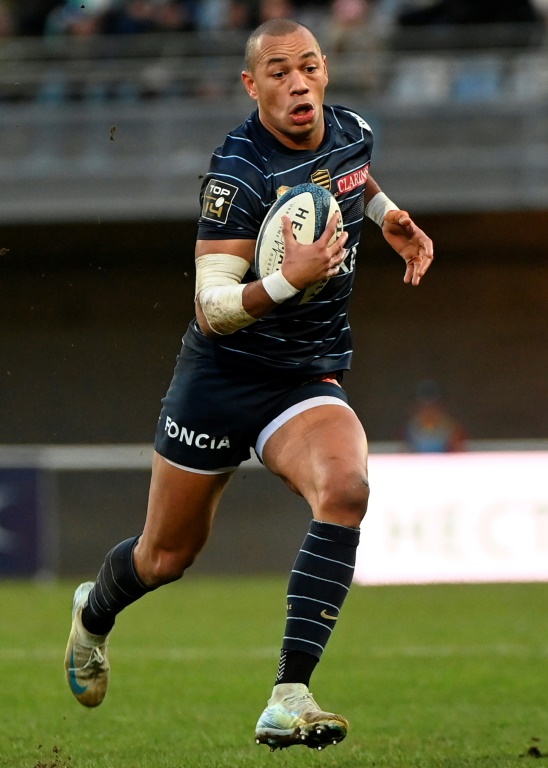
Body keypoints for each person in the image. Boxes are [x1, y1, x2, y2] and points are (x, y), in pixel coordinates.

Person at [64, 17, 434, 751]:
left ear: (325, 69)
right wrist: (285, 281)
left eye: (308, 67)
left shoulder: (352, 127)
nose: (298, 83)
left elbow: (351, 180)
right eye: (278, 72)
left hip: (303, 375)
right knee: (165, 557)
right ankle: (93, 613)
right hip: (221, 378)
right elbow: (213, 307)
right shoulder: (236, 174)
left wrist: (389, 216)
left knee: (347, 491)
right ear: (251, 84)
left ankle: (288, 694)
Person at [404, 379, 467, 453]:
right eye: (424, 407)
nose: (429, 412)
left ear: (442, 407)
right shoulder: (410, 430)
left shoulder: (453, 430)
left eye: (433, 406)